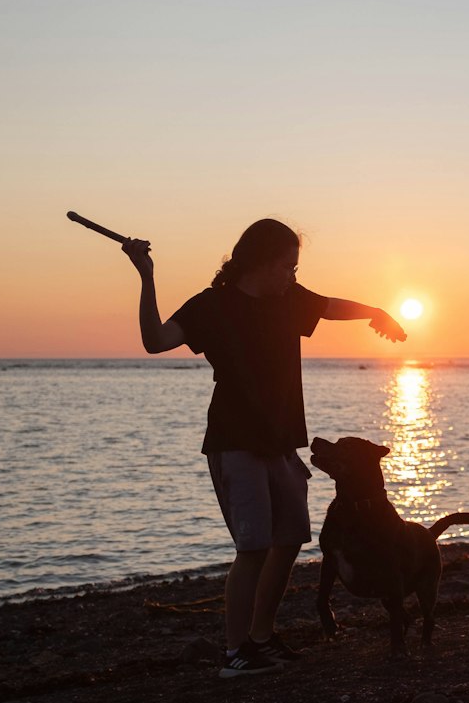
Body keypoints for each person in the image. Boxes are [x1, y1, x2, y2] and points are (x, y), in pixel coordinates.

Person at [122, 218, 405, 677]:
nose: (294, 275)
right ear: (262, 263)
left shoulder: (288, 301)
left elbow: (333, 306)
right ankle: (236, 653)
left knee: (289, 538)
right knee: (253, 548)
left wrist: (379, 312)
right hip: (235, 443)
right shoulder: (211, 306)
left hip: (281, 443)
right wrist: (146, 275)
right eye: (288, 266)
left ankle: (262, 638)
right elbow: (155, 341)